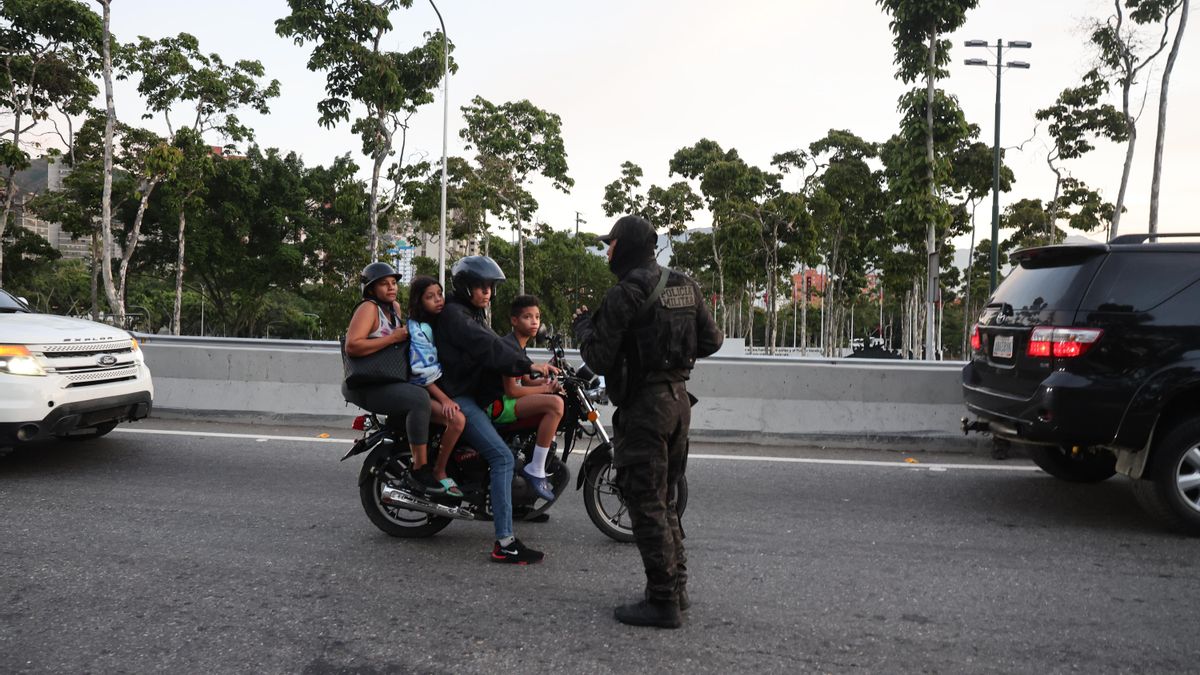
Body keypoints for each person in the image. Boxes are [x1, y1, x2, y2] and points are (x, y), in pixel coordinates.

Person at [572, 215, 723, 628]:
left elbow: (600, 358)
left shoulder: (626, 292)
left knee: (646, 502)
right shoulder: (685, 284)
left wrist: (584, 328)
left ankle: (662, 600)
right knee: (667, 497)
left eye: (611, 244)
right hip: (679, 401)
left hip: (644, 407)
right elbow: (713, 340)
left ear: (626, 246)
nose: (607, 251)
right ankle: (678, 587)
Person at [434, 255, 557, 564]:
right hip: (459, 397)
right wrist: (528, 365)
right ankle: (504, 542)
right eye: (481, 286)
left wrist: (529, 369)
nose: (487, 292)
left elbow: (494, 344)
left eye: (490, 287)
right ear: (465, 287)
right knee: (501, 457)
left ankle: (519, 505)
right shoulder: (455, 315)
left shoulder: (473, 314)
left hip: (471, 393)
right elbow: (487, 346)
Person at [342, 262, 442, 496]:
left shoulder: (394, 308)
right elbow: (353, 346)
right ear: (370, 289)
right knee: (418, 399)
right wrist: (393, 337)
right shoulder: (368, 308)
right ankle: (419, 470)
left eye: (393, 283)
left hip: (388, 379)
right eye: (384, 284)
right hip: (367, 383)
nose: (391, 288)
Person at [481, 294, 564, 502]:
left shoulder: (519, 345)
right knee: (555, 405)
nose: (534, 321)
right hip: (497, 406)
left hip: (506, 401)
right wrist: (546, 392)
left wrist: (550, 382)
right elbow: (512, 391)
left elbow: (526, 381)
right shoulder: (508, 346)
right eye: (528, 317)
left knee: (555, 398)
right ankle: (536, 468)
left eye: (537, 317)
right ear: (514, 320)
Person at [406, 275, 467, 498]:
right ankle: (439, 470)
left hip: (435, 387)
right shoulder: (419, 329)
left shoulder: (436, 322)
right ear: (419, 301)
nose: (438, 300)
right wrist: (445, 399)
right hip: (422, 390)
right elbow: (423, 372)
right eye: (430, 297)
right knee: (457, 420)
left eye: (439, 294)